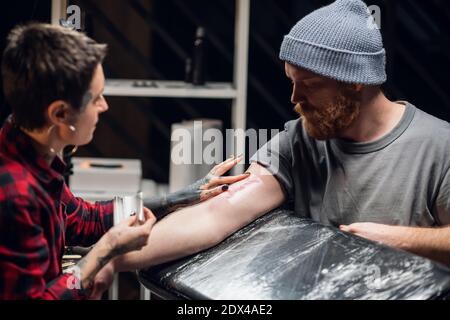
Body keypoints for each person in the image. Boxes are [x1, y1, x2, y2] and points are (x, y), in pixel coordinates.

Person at [90, 0, 450, 298]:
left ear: (356, 81)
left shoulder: (438, 146)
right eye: (292, 83)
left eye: (308, 84)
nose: (295, 99)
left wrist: (395, 240)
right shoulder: (300, 140)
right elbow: (216, 215)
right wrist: (111, 257)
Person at [0, 23, 247, 299]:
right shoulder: (15, 195)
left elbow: (83, 218)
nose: (104, 106)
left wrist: (178, 198)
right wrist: (104, 252)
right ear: (60, 114)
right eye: (96, 98)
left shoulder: (32, 154)